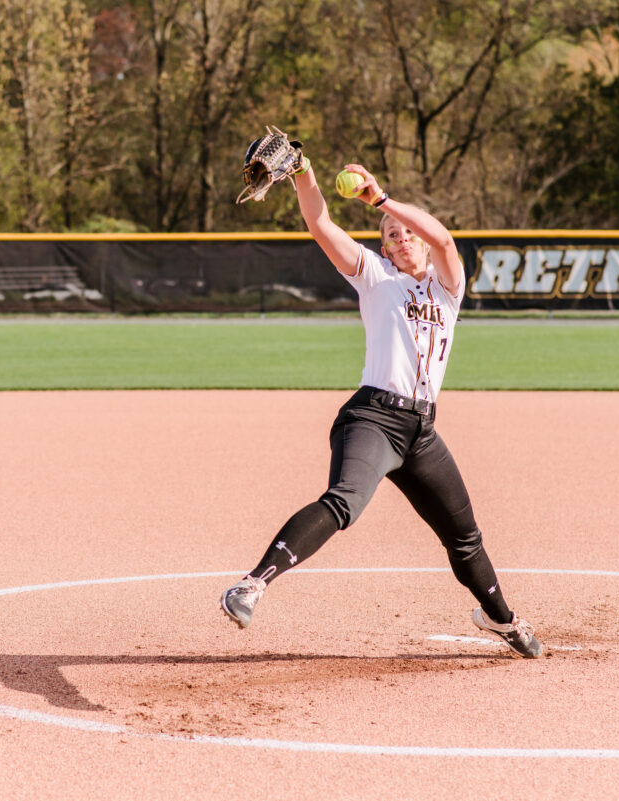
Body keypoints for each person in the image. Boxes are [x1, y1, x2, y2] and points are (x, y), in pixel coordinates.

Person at [220, 155, 543, 658]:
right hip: (372, 418)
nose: (400, 238)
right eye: (389, 235)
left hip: (422, 434)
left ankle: (501, 619)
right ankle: (252, 585)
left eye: (405, 231)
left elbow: (445, 240)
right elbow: (321, 223)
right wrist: (304, 172)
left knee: (465, 537)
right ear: (383, 250)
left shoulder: (447, 287)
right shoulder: (375, 277)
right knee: (343, 502)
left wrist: (384, 201)